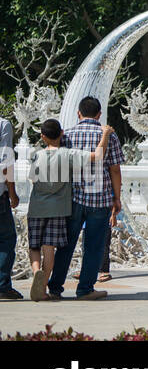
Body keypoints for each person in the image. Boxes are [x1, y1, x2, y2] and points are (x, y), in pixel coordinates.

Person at [27, 118, 115, 302]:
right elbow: (97, 156)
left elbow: (33, 179)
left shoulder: (36, 155)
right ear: (61, 134)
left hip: (36, 209)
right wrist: (105, 134)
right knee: (50, 249)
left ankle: (38, 274)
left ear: (42, 137)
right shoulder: (67, 154)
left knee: (35, 246)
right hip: (58, 209)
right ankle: (43, 287)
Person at [46, 96, 124, 301]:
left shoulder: (67, 135)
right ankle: (85, 289)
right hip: (100, 199)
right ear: (99, 115)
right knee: (94, 245)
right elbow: (115, 170)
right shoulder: (108, 135)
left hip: (72, 199)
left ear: (78, 113)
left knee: (66, 244)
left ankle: (55, 288)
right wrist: (117, 198)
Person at [0, 115, 17, 300]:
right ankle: (2, 286)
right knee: (6, 239)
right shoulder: (3, 125)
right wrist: (12, 192)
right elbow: (6, 163)